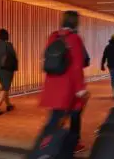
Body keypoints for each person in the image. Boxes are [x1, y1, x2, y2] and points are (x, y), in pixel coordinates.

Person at [34, 11, 90, 159]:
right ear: (75, 23)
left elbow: (46, 59)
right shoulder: (74, 39)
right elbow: (77, 66)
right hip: (68, 86)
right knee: (74, 113)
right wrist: (80, 89)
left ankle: (45, 146)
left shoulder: (53, 36)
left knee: (55, 117)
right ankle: (63, 147)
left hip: (53, 84)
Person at [0, 29, 18, 115]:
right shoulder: (9, 45)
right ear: (6, 36)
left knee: (5, 87)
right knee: (5, 87)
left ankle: (9, 105)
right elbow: (14, 57)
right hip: (7, 68)